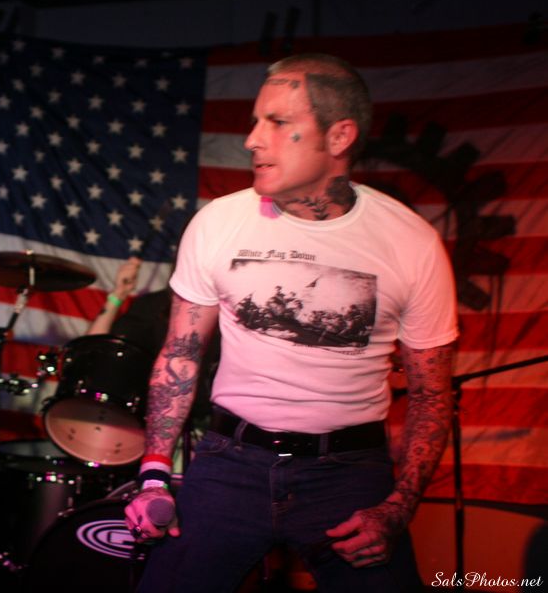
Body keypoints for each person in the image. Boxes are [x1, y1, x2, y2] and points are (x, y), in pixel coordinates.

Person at [124, 53, 457, 592]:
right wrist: (154, 474)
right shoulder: (217, 223)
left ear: (340, 136)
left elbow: (431, 395)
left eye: (278, 123)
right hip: (229, 464)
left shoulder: (410, 242)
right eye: (255, 121)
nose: (253, 140)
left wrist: (398, 507)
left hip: (348, 475)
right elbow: (181, 355)